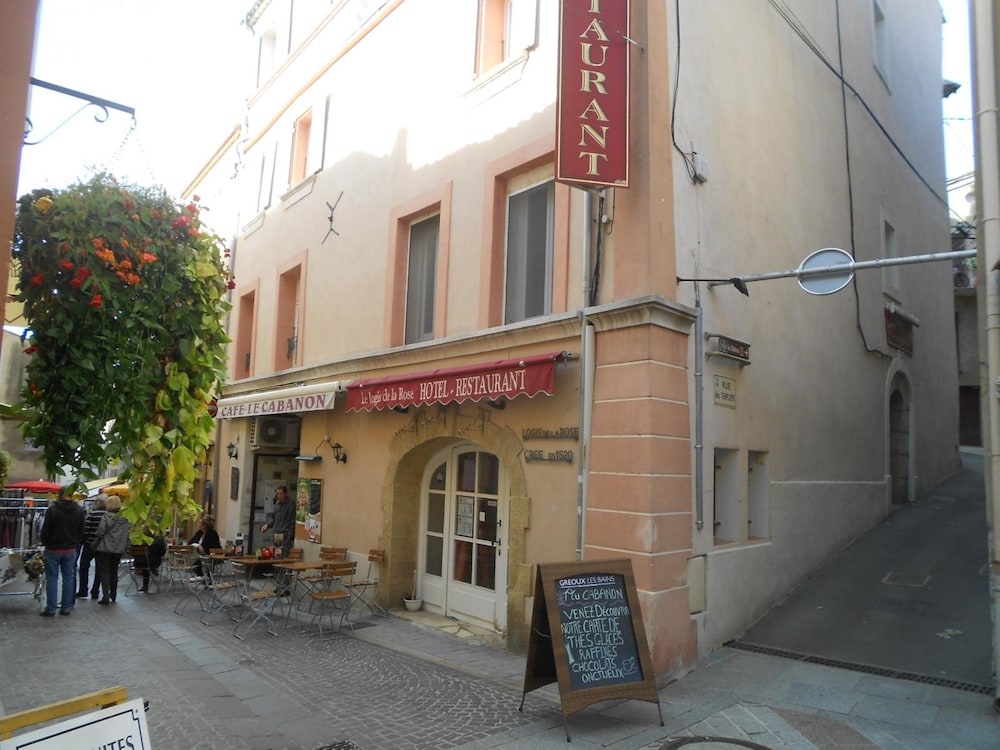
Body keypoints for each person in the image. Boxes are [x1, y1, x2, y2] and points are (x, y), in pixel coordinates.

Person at [39, 485, 85, 616]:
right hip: (70, 549)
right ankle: (66, 607)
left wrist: (45, 542)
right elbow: (81, 531)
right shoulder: (79, 511)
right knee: (69, 578)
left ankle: (51, 608)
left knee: (52, 578)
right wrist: (76, 542)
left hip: (53, 549)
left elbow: (45, 530)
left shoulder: (52, 510)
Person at [92, 495, 132, 605]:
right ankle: (113, 594)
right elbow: (128, 534)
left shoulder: (106, 516)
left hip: (105, 548)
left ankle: (105, 596)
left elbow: (100, 532)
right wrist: (126, 546)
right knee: (114, 571)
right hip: (118, 549)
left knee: (105, 571)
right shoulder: (126, 518)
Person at [77, 493, 108, 600]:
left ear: (99, 503)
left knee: (84, 566)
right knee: (100, 569)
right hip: (103, 546)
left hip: (89, 545)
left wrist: (84, 540)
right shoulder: (108, 515)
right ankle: (95, 591)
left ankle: (83, 590)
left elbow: (86, 529)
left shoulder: (92, 514)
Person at [261, 485, 295, 560]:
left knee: (284, 557)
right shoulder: (277, 505)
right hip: (276, 535)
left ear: (285, 494)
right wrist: (267, 525)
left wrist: (289, 536)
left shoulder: (291, 504)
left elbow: (293, 522)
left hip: (285, 536)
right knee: (276, 557)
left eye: (281, 493)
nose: (279, 496)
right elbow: (274, 519)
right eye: (278, 494)